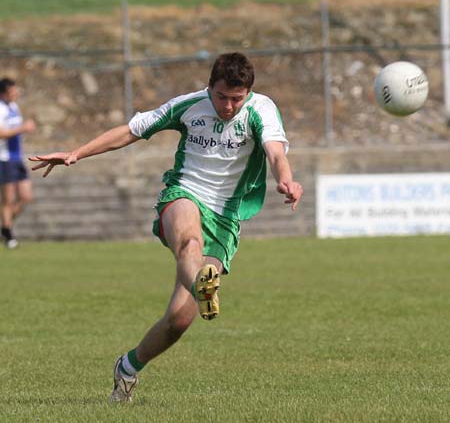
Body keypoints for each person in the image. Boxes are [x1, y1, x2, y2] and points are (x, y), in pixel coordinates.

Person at [29, 52, 303, 402]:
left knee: (179, 321)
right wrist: (76, 153)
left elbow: (276, 153)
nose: (229, 106)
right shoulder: (189, 105)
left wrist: (287, 180)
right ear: (210, 88)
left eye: (237, 98)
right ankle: (204, 286)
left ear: (248, 93)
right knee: (188, 243)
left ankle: (128, 367)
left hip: (224, 217)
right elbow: (131, 131)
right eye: (222, 97)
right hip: (184, 193)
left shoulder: (261, 110)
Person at [0, 77, 36, 249]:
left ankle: (4, 226)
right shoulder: (0, 109)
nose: (16, 92)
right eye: (13, 90)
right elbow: (1, 133)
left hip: (17, 157)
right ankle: (8, 235)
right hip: (4, 159)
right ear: (5, 93)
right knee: (8, 199)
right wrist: (23, 128)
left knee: (26, 197)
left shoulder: (14, 106)